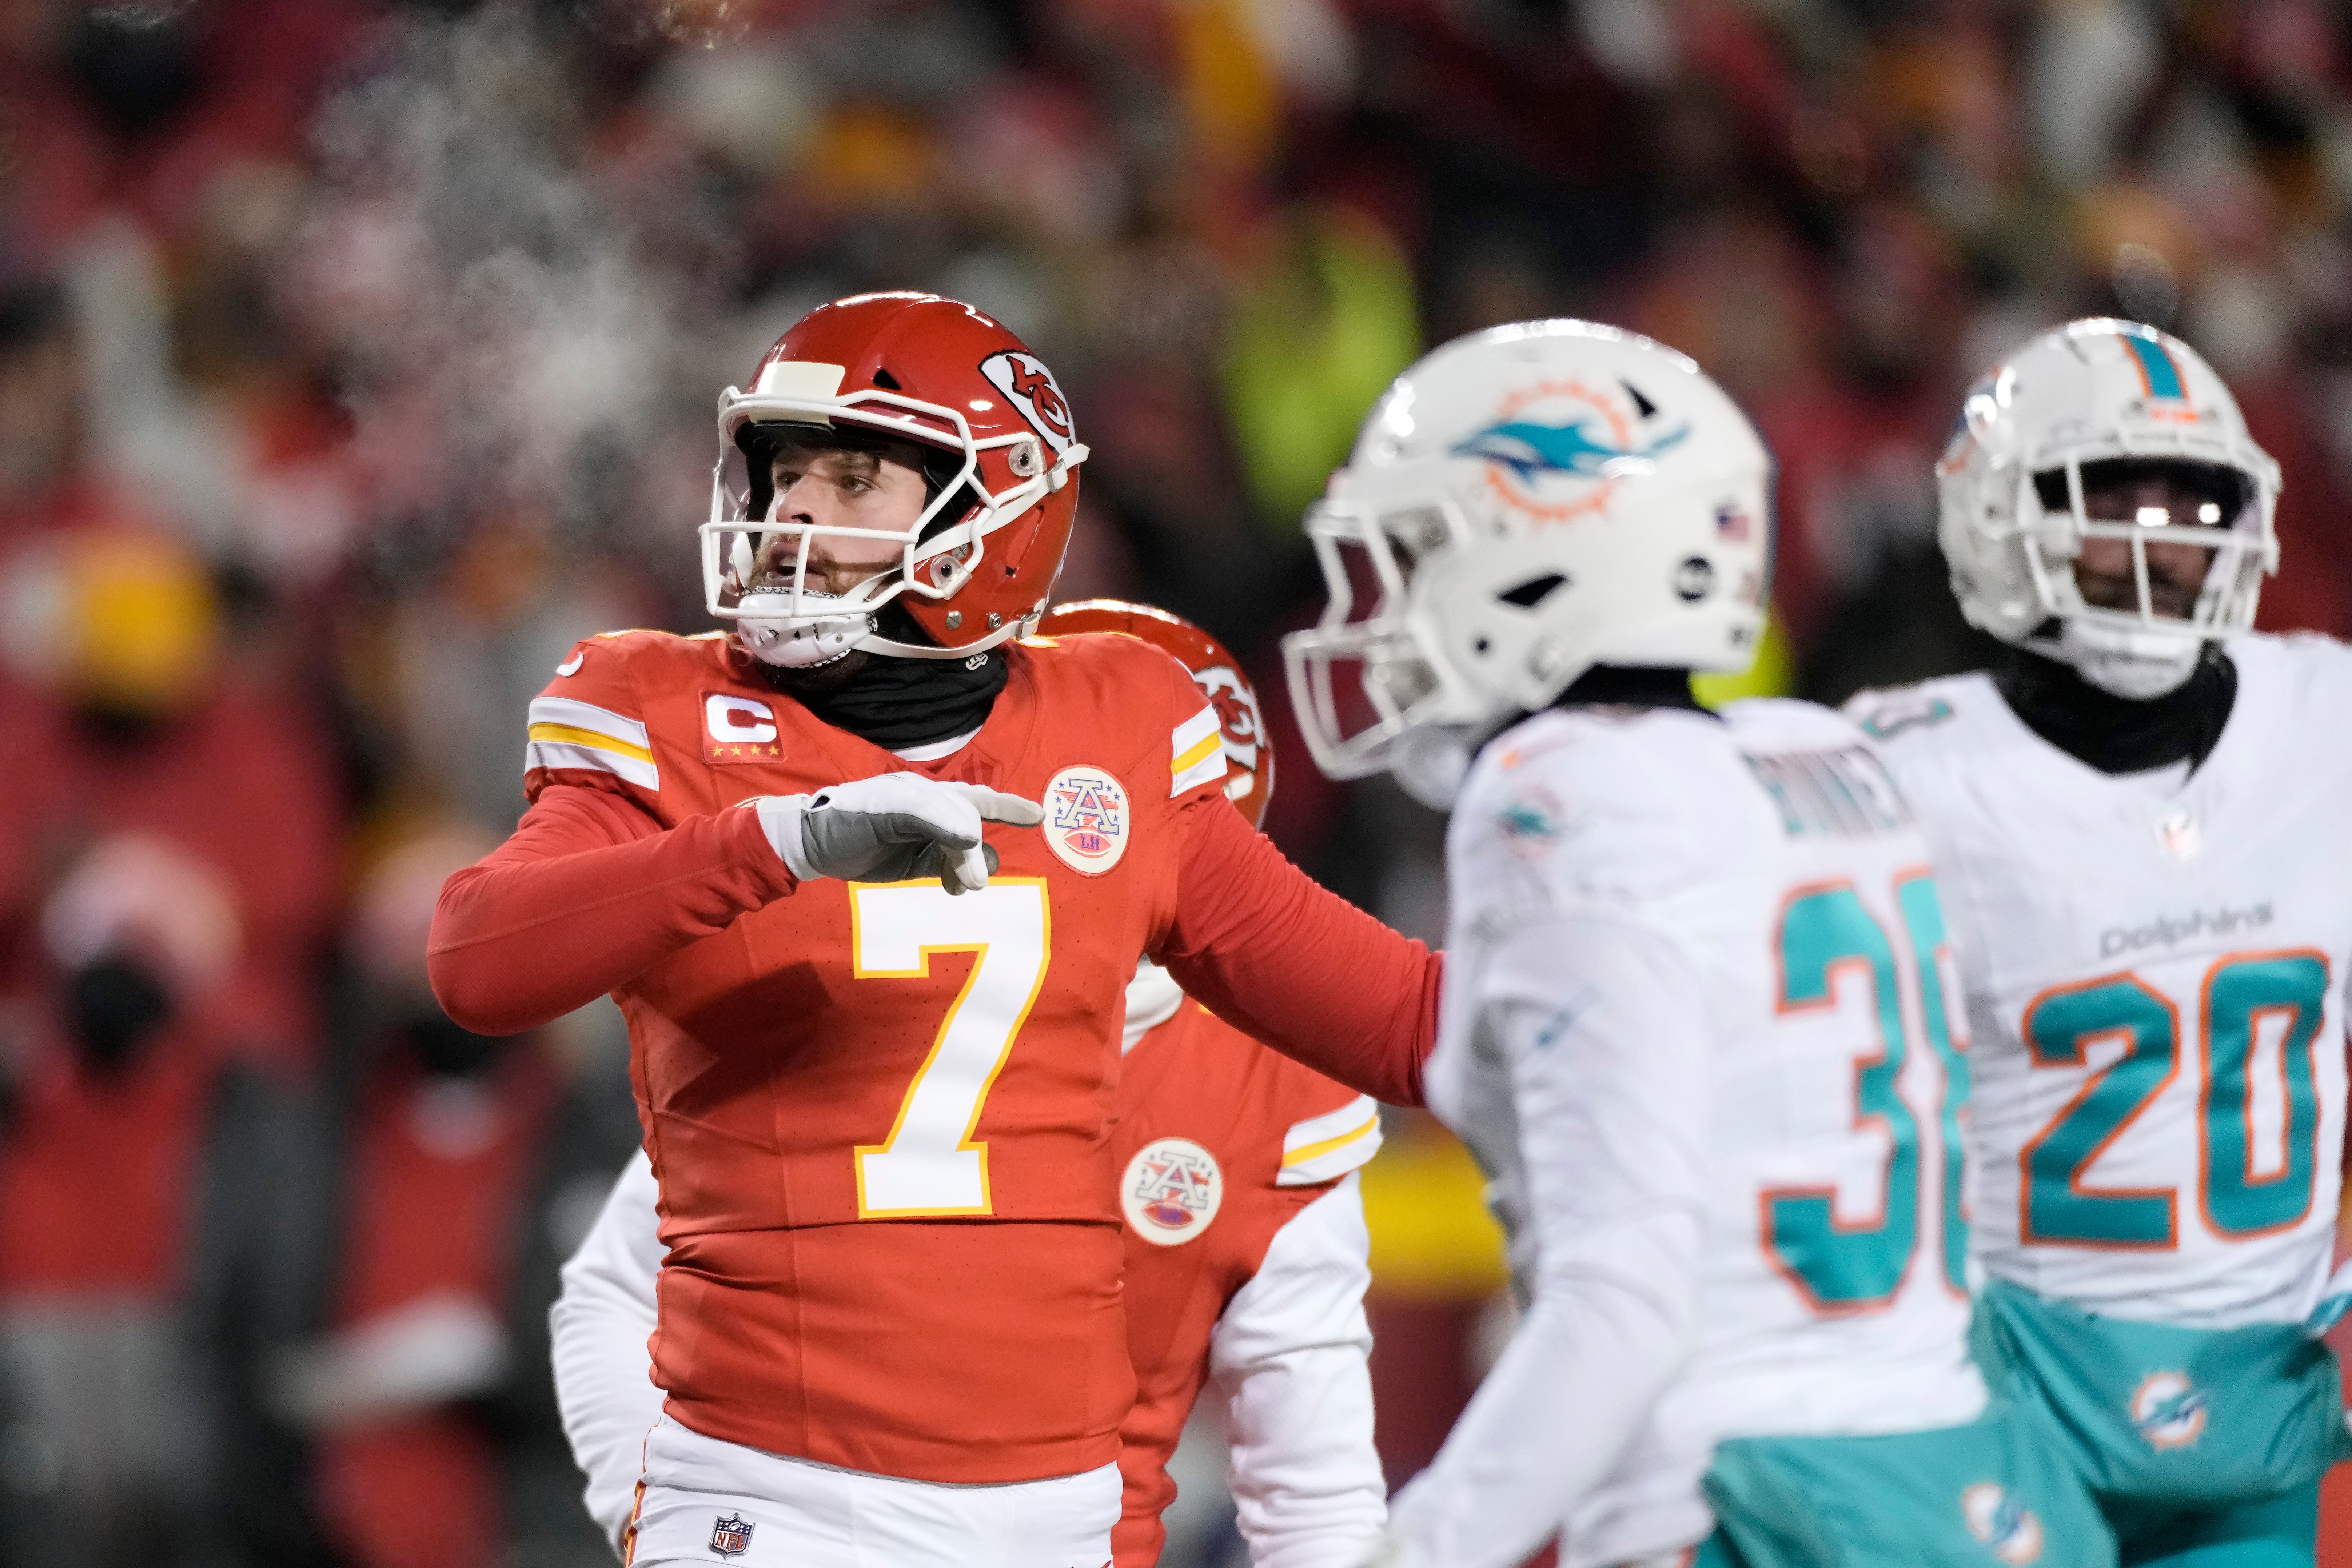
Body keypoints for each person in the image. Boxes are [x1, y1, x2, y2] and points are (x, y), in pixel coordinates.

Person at [426, 292, 1438, 1568]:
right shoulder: (660, 705)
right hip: (770, 1490)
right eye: (785, 471)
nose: (790, 511)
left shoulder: (1118, 721)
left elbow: (1402, 1017)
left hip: (1062, 1516)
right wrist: (776, 842)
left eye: (853, 478)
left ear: (986, 522)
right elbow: (478, 958)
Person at [1283, 319, 2111, 1568]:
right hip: (1961, 1489)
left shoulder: (1562, 790)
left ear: (1550, 556)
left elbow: (1623, 1302)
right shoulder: (1828, 759)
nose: (1389, 610)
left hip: (1746, 1509)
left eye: (1424, 552)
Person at [549, 600, 1389, 1568]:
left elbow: (1315, 1502)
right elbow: (616, 1293)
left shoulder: (1282, 1089)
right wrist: (669, 1522)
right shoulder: (855, 953)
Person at [1847, 319, 2352, 1565]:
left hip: (2261, 1399)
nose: (2155, 540)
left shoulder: (2325, 719)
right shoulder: (1899, 769)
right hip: (1997, 1395)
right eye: (2108, 497)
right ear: (1998, 513)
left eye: (2191, 505)